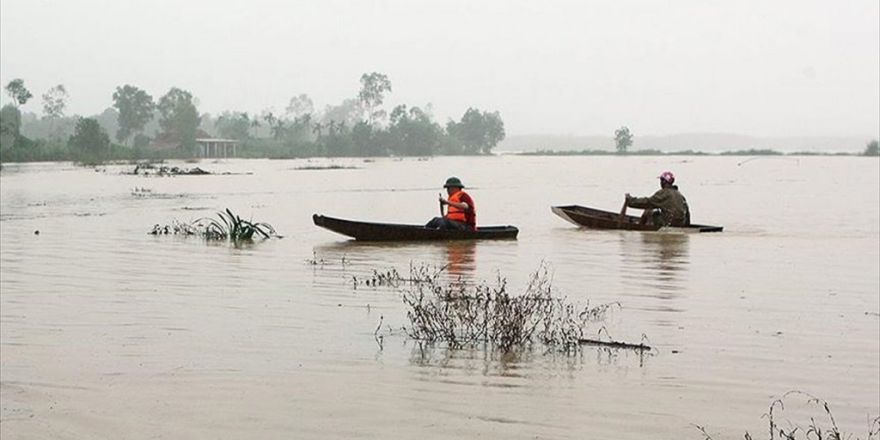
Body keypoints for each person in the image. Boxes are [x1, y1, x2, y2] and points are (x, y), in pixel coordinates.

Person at [625, 171, 691, 227]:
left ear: (664, 182)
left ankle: (640, 227)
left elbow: (647, 202)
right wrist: (687, 226)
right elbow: (687, 212)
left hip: (668, 224)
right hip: (681, 224)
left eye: (661, 180)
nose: (660, 183)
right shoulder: (680, 195)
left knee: (648, 210)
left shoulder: (664, 193)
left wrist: (630, 201)